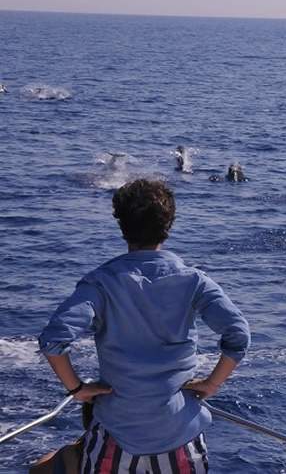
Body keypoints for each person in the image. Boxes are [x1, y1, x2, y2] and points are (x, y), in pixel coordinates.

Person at [38, 179, 250, 472]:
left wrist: (77, 389)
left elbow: (53, 340)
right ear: (169, 225)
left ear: (121, 225)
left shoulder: (101, 282)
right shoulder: (194, 281)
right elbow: (238, 334)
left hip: (115, 438)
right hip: (181, 439)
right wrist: (212, 384)